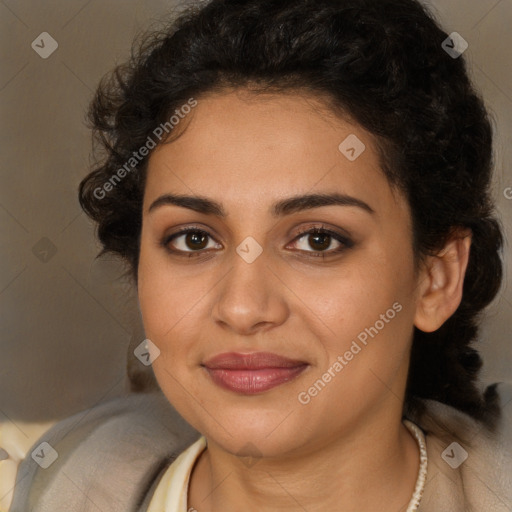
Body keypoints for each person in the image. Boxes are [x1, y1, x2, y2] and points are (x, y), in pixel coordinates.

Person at [8, 0, 512, 510]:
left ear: (436, 278)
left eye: (318, 240)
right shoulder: (59, 482)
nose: (243, 308)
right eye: (194, 239)